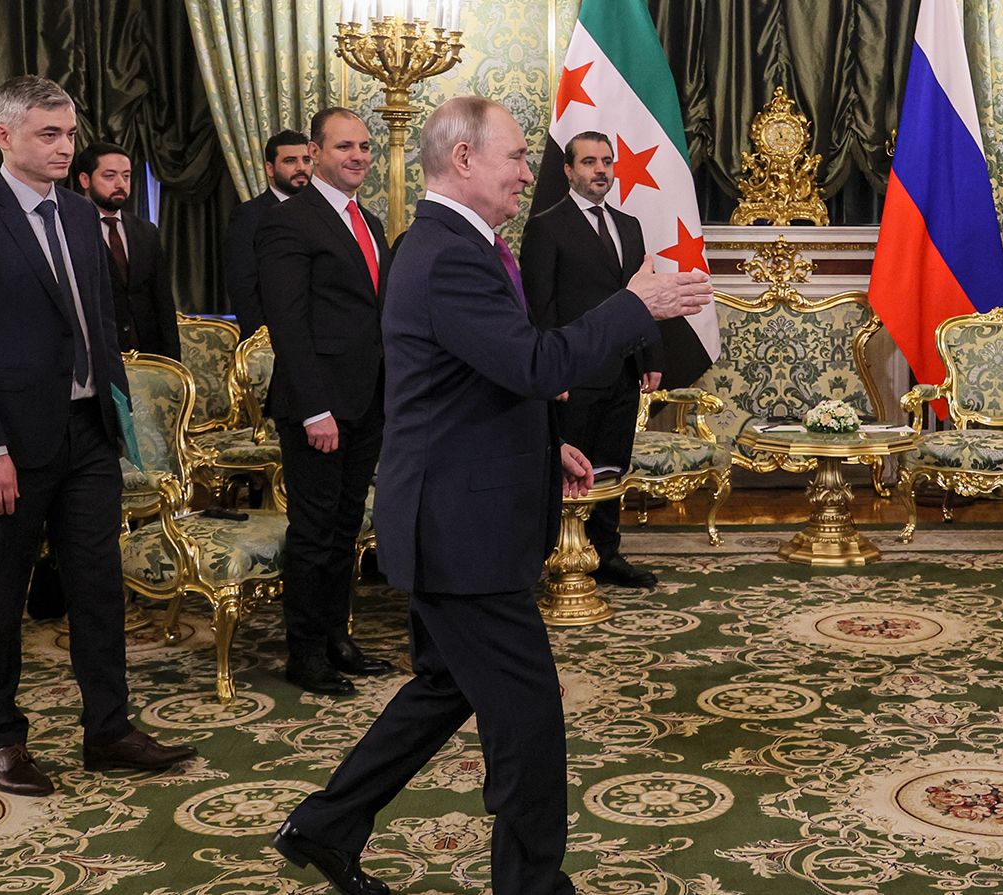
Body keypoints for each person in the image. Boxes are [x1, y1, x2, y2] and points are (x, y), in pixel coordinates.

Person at [272, 94, 712, 895]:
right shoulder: (447, 254)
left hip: (458, 515)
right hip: (460, 531)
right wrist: (634, 305)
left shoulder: (461, 245)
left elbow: (480, 378)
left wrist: (553, 446)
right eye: (515, 156)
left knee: (445, 686)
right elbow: (537, 363)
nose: (526, 172)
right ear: (464, 159)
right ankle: (532, 884)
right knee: (529, 716)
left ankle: (326, 824)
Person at [0, 75, 196, 798]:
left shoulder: (81, 216)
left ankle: (108, 728)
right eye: (49, 133)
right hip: (10, 445)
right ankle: (0, 737)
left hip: (87, 435)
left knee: (99, 587)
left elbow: (100, 325)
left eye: (69, 133)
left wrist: (119, 419)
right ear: (4, 136)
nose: (64, 146)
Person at [257, 108, 392, 696]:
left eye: (365, 145)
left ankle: (338, 638)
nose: (359, 155)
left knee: (344, 531)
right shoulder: (291, 222)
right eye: (345, 147)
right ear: (314, 153)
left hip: (368, 403)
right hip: (319, 410)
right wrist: (316, 410)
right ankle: (305, 653)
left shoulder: (372, 223)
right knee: (312, 533)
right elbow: (288, 325)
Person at [519, 131, 661, 589]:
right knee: (572, 472)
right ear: (568, 170)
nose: (600, 170)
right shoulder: (546, 225)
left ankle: (607, 554)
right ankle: (560, 553)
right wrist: (549, 371)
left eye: (606, 161)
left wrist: (650, 355)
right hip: (572, 373)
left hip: (622, 370)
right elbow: (540, 306)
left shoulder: (629, 225)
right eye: (589, 162)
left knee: (612, 464)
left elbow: (642, 297)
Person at [73, 142, 179, 357]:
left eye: (127, 176)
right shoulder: (70, 230)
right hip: (97, 356)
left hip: (149, 356)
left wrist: (172, 363)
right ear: (85, 180)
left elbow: (163, 303)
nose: (121, 184)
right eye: (110, 176)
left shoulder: (146, 231)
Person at [225, 129, 312, 339]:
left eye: (306, 160)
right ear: (270, 168)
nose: (301, 168)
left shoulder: (322, 213)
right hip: (272, 341)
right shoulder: (249, 216)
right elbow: (243, 288)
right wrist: (261, 343)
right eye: (290, 161)